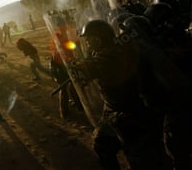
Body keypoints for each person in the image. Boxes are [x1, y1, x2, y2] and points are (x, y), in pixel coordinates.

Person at [72, 20, 168, 169]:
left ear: (98, 39)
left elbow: (88, 69)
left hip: (128, 113)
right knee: (102, 145)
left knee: (139, 158)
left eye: (89, 39)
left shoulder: (111, 56)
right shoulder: (118, 47)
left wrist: (78, 65)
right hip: (112, 109)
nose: (88, 44)